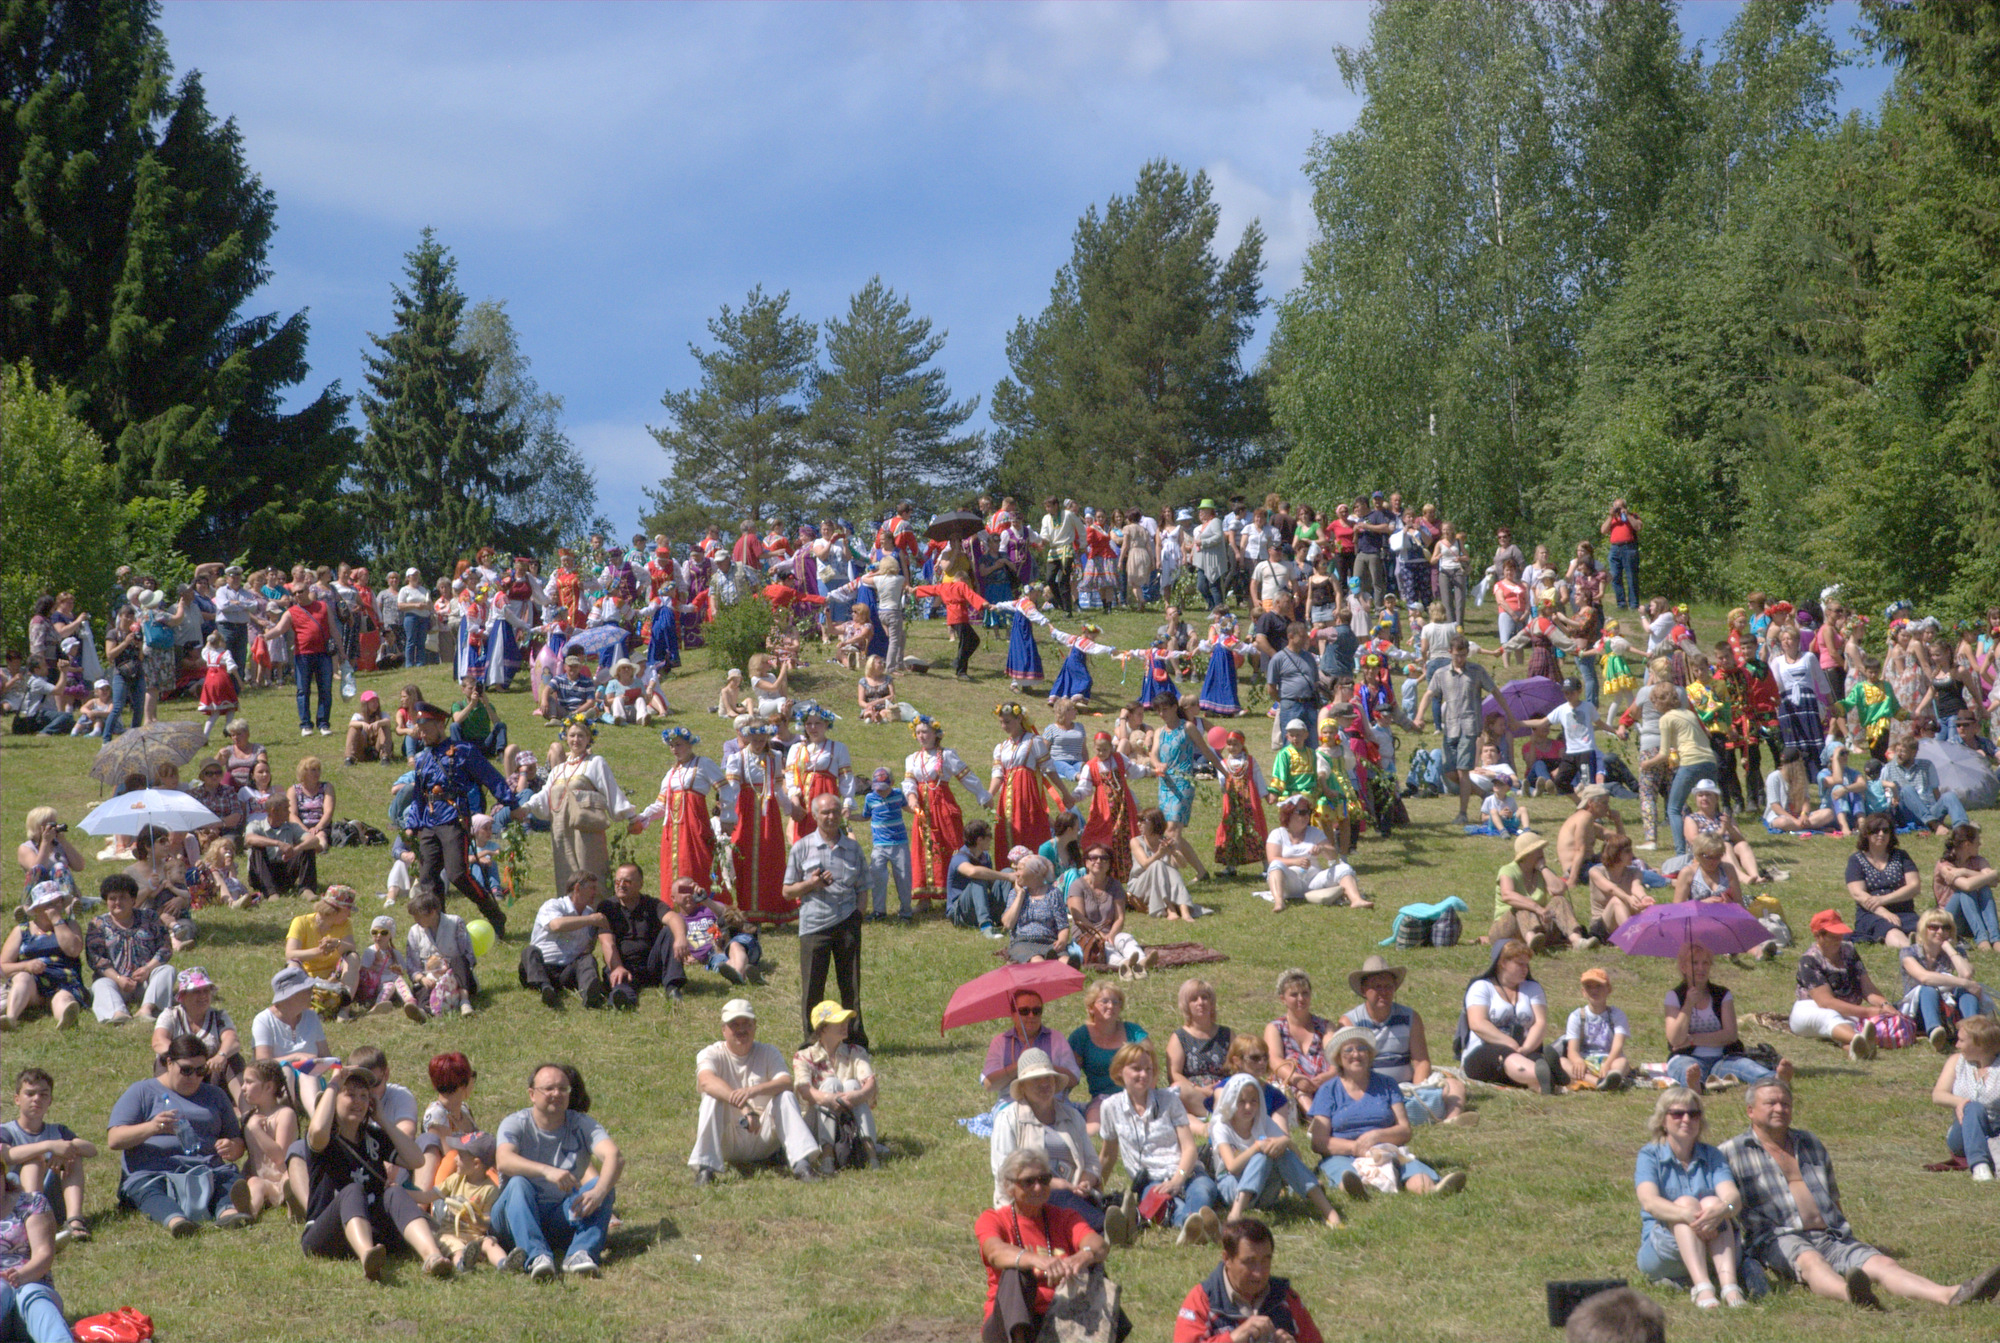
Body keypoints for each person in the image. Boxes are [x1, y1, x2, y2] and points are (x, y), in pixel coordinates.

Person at [1723, 1078, 2000, 1307]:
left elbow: (1833, 1195)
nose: (1780, 1108)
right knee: (1810, 1261)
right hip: (1778, 1238)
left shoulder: (1808, 1142)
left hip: (1830, 1233)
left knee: (1883, 1263)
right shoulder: (1731, 1152)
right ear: (1750, 1111)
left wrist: (1845, 1233)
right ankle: (1853, 1295)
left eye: (1785, 1103)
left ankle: (1949, 1294)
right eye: (1770, 1103)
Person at [299, 1066, 452, 1279]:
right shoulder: (325, 1138)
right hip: (326, 1236)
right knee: (353, 1191)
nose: (358, 1101)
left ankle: (432, 1257)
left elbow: (416, 1160)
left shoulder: (373, 1136)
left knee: (395, 1192)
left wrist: (382, 1119)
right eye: (350, 1094)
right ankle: (367, 1257)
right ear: (332, 1099)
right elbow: (316, 1131)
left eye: (364, 1096)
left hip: (374, 1229)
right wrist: (333, 1083)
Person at [106, 1033, 253, 1235]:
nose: (193, 1077)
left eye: (201, 1070)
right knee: (147, 1189)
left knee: (228, 1178)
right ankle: (177, 1222)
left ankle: (228, 1213)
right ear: (169, 1063)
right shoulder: (142, 1091)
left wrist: (233, 1147)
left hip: (207, 1168)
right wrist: (152, 1127)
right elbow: (114, 1139)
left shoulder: (215, 1095)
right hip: (154, 1171)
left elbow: (237, 1143)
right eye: (186, 1070)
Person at [493, 1062, 622, 1278]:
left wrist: (599, 1192)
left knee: (603, 1185)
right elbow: (504, 1160)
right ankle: (536, 1257)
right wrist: (546, 1171)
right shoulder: (516, 1123)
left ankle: (580, 1253)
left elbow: (614, 1156)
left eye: (563, 1089)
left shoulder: (581, 1124)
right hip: (512, 1220)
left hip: (558, 1216)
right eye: (549, 1089)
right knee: (518, 1183)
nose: (557, 1094)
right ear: (532, 1094)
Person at [977, 1148, 1120, 1343]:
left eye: (1044, 1179)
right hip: (1009, 1325)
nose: (1038, 1187)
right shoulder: (994, 1219)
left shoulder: (1064, 1217)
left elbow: (1100, 1245)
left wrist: (1084, 1255)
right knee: (1015, 1273)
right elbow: (994, 1252)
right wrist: (1037, 1261)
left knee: (1094, 1265)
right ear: (1009, 1187)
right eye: (1028, 1181)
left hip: (1061, 1316)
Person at [407, 702, 520, 936]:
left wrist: (511, 803)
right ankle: (437, 929)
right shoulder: (421, 760)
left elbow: (491, 777)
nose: (422, 734)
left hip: (453, 820)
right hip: (428, 823)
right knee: (428, 881)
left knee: (458, 873)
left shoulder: (463, 751)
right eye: (420, 729)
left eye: (426, 728)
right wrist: (412, 824)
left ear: (440, 724)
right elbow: (419, 795)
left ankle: (494, 914)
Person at [1633, 1086, 1751, 1308]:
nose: (1686, 1119)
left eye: (1693, 1114)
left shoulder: (1712, 1155)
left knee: (1714, 1203)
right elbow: (1649, 1202)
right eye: (1677, 1114)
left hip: (1714, 1248)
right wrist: (1686, 1214)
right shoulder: (1649, 1155)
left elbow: (1732, 1197)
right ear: (1663, 1120)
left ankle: (1730, 1287)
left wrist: (1722, 1210)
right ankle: (1703, 1288)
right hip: (1664, 1251)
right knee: (1686, 1203)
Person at [1096, 1041, 1222, 1247]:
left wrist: (1177, 1180)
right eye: (1136, 1069)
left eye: (1148, 1069)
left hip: (1186, 1172)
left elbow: (1189, 1148)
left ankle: (1193, 1226)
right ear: (1120, 1071)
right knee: (1162, 1203)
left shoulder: (1169, 1100)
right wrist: (1095, 1194)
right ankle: (1195, 1226)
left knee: (1203, 1190)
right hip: (1152, 1181)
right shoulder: (1110, 1107)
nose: (1144, 1075)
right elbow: (1108, 1156)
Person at [689, 998, 820, 1185]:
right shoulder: (711, 1053)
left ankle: (802, 1165)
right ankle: (705, 1169)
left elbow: (786, 1081)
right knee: (711, 1098)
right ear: (723, 1029)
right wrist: (745, 1108)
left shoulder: (768, 1052)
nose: (742, 1030)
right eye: (735, 1024)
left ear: (755, 1026)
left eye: (747, 1024)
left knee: (786, 1097)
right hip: (728, 1138)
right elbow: (706, 1081)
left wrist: (752, 1091)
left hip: (762, 1135)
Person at [782, 792, 869, 1049]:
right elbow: (787, 891)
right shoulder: (802, 847)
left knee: (850, 986)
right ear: (815, 815)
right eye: (824, 812)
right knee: (813, 988)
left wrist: (858, 915)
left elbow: (864, 886)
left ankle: (855, 1039)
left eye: (834, 811)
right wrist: (811, 884)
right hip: (814, 927)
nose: (830, 817)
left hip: (847, 924)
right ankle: (812, 1041)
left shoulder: (853, 848)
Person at [1339, 955, 1468, 1126]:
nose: (1384, 992)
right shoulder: (1351, 1023)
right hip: (1372, 1090)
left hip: (1407, 1087)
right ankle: (1416, 1113)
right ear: (1364, 990)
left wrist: (1418, 1090)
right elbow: (1349, 1070)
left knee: (1455, 1086)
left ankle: (1451, 1120)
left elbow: (1421, 1061)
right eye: (1377, 987)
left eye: (1388, 987)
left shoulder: (1410, 1017)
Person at [989, 1049, 1102, 1232]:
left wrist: (1086, 1179)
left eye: (1048, 1078)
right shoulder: (1008, 1119)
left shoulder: (1072, 1116)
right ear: (1023, 1087)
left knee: (1075, 1198)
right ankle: (1104, 1225)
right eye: (1036, 1080)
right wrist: (1052, 1184)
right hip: (1030, 1197)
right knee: (1058, 1196)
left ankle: (1112, 1219)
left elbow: (1091, 1161)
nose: (1044, 1084)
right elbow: (1004, 1173)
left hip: (1075, 1194)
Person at [1173, 1215, 1325, 1343]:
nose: (1259, 1273)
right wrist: (1234, 1338)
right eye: (1249, 1262)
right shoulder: (1203, 1300)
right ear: (1227, 1259)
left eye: (1265, 1261)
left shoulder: (1285, 1299)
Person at [1664, 943, 1790, 1094]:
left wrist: (1691, 1040)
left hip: (1722, 1058)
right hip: (1686, 1057)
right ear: (1683, 967)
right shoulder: (1674, 997)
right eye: (1694, 963)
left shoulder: (1722, 995)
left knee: (1746, 1066)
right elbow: (1675, 1039)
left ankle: (1775, 1080)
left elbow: (1730, 1035)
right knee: (1687, 1069)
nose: (1701, 968)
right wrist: (1688, 1005)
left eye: (1705, 963)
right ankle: (1694, 1086)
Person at [904, 716, 992, 913]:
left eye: (925, 732)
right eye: (918, 732)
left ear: (936, 734)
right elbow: (909, 782)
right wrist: (911, 798)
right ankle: (924, 896)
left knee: (949, 845)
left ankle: (953, 892)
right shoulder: (912, 758)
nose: (921, 736)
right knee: (924, 848)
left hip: (943, 807)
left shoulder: (947, 755)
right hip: (923, 810)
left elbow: (966, 777)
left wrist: (982, 795)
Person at [2, 1068, 96, 1247]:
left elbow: (92, 1150)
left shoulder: (57, 1131)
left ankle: (75, 1221)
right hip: (14, 1202)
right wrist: (48, 1146)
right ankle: (32, 1227)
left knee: (72, 1157)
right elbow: (5, 1154)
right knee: (34, 1161)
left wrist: (68, 1148)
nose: (36, 1099)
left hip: (51, 1202)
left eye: (43, 1095)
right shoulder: (6, 1131)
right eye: (30, 1094)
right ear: (17, 1099)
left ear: (50, 1101)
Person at [1461, 939, 1561, 1092]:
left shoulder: (1533, 988)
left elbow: (1540, 1023)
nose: (1525, 969)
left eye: (1526, 964)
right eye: (1520, 964)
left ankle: (1543, 1078)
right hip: (1484, 1051)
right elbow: (1477, 1023)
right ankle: (1546, 1076)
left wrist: (1526, 1048)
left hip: (1526, 1050)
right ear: (1502, 963)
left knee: (1532, 1059)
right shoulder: (1481, 987)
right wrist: (1510, 1043)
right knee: (1508, 1057)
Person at [793, 1000, 879, 1174]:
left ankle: (871, 1154)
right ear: (823, 1028)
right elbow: (804, 1090)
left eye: (846, 1021)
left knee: (853, 1085)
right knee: (831, 1083)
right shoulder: (804, 1056)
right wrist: (829, 1099)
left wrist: (857, 1096)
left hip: (848, 1120)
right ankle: (827, 1157)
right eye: (839, 1022)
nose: (845, 1025)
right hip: (816, 1124)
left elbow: (870, 1083)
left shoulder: (856, 1051)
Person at [1790, 909, 1888, 1061]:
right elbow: (1826, 1002)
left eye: (1840, 933)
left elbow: (1867, 987)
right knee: (1831, 1018)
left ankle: (1857, 1051)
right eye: (1833, 935)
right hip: (1810, 1009)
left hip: (1847, 1011)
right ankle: (1859, 1039)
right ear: (1818, 936)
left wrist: (1885, 1004)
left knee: (1844, 1023)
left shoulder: (1849, 950)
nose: (1839, 938)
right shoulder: (1809, 960)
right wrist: (1867, 1012)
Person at [85, 872, 175, 1024]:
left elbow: (165, 948)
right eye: (112, 898)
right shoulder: (97, 924)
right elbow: (96, 959)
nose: (117, 902)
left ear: (133, 900)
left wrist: (148, 969)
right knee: (100, 984)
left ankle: (147, 1009)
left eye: (123, 898)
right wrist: (119, 979)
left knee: (167, 970)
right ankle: (118, 1013)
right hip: (115, 984)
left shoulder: (150, 917)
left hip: (147, 982)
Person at [1901, 908, 1989, 1051]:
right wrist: (1964, 982)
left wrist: (1948, 948)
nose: (1940, 932)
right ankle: (1935, 1032)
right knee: (1928, 990)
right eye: (1933, 927)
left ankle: (1972, 1032)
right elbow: (1924, 977)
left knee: (1966, 992)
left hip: (1949, 1010)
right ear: (1923, 929)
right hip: (1920, 1012)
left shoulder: (1957, 951)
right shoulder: (1909, 952)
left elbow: (1966, 973)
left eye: (1945, 928)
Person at [1491, 832, 1596, 953]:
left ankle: (1577, 941)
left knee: (1559, 900)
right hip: (1506, 929)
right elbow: (1507, 895)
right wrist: (1536, 907)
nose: (1542, 852)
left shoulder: (1542, 871)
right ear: (1526, 854)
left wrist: (1543, 868)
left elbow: (1560, 890)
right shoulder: (1508, 870)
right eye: (1537, 849)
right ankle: (1531, 941)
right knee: (1522, 906)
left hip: (1537, 925)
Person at [595, 861, 679, 1009]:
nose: (621, 885)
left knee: (670, 930)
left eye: (627, 881)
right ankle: (622, 999)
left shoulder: (652, 904)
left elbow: (673, 918)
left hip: (651, 965)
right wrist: (617, 967)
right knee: (619, 982)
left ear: (640, 884)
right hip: (623, 963)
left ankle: (673, 987)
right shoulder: (607, 907)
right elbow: (607, 942)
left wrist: (681, 939)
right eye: (617, 881)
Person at [0, 884, 84, 1032]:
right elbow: (3, 966)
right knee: (22, 978)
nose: (54, 907)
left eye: (58, 902)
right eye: (48, 904)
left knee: (63, 998)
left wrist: (57, 921)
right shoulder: (21, 931)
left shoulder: (70, 925)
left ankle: (65, 1020)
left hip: (65, 982)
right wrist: (26, 966)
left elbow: (73, 950)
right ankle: (11, 1019)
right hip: (34, 984)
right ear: (37, 908)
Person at [520, 871, 609, 1011]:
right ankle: (545, 988)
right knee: (529, 951)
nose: (595, 892)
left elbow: (588, 947)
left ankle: (590, 994)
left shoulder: (589, 913)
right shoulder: (553, 905)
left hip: (566, 971)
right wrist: (591, 920)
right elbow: (557, 925)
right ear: (578, 888)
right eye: (592, 888)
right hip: (542, 967)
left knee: (587, 959)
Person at [1262, 796, 1365, 913]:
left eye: (1308, 812)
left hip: (1313, 881)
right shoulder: (1277, 834)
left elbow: (1333, 856)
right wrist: (1295, 862)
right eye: (1302, 812)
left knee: (1344, 868)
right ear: (1289, 814)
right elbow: (1272, 859)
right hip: (1289, 883)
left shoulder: (1315, 832)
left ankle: (1356, 900)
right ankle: (1279, 902)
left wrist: (1322, 849)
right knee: (1275, 865)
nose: (1307, 816)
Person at [252, 965, 334, 1113]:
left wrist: (319, 1063)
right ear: (291, 995)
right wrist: (296, 1057)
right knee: (285, 1069)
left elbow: (326, 1055)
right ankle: (286, 1114)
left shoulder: (311, 1017)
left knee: (306, 1071)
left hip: (312, 1080)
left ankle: (316, 1120)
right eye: (307, 990)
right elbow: (261, 1062)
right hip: (276, 1083)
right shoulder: (263, 1020)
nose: (311, 992)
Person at [1068, 981, 1148, 1131]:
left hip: (1138, 1094)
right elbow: (1070, 1075)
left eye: (1115, 1002)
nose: (1111, 1006)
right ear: (1091, 1008)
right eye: (1104, 1001)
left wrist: (1147, 1096)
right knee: (1093, 1129)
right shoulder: (1081, 1036)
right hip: (1103, 1099)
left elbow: (1152, 1066)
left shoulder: (1134, 1032)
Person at [1932, 1015, 2000, 1181]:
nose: (1956, 1045)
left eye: (1962, 1041)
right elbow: (1938, 1095)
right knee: (1973, 1107)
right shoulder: (1957, 1062)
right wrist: (1960, 1102)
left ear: (1979, 1044)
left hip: (1995, 1132)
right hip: (1962, 1133)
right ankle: (1979, 1165)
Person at [1263, 968, 1336, 1123]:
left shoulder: (1325, 1026)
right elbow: (1274, 1060)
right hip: (1294, 1083)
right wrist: (1296, 1079)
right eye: (1294, 995)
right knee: (1299, 1091)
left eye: (1305, 993)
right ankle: (1317, 1121)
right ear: (1283, 999)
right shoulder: (1275, 1027)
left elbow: (1336, 1057)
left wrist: (1328, 1076)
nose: (1300, 998)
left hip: (1323, 1081)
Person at [1067, 842, 1150, 978]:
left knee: (1125, 938)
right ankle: (1124, 964)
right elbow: (1079, 918)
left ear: (1109, 864)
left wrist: (1111, 935)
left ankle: (1141, 963)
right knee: (1106, 947)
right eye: (1094, 858)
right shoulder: (1077, 885)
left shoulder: (1115, 885)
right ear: (1087, 863)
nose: (1099, 861)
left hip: (1110, 933)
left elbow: (1120, 918)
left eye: (1104, 858)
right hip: (1086, 935)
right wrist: (1099, 935)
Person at [982, 991, 1082, 1099]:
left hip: (1052, 1102)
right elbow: (989, 1085)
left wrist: (1043, 1065)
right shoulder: (1000, 1042)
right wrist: (1020, 1065)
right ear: (1013, 1014)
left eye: (1036, 1011)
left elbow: (1073, 1079)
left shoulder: (1056, 1038)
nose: (1031, 1015)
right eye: (1024, 1011)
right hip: (1011, 1103)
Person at [1845, 813, 1922, 947]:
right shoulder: (1856, 860)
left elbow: (1914, 886)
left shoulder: (1901, 856)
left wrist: (1883, 899)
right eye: (1875, 830)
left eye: (1886, 830)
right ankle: (1911, 950)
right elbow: (1858, 894)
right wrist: (1883, 911)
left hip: (1904, 911)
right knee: (1891, 930)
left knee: (1925, 930)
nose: (1881, 834)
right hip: (1872, 914)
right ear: (1866, 834)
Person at [1165, 979, 1233, 1124]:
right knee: (1177, 1088)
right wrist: (1199, 1090)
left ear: (1212, 1002)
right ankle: (1215, 1117)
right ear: (1186, 1005)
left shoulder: (1227, 1034)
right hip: (1195, 1094)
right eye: (1194, 999)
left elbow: (1240, 1066)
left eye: (1205, 997)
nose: (1200, 1002)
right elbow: (1174, 1074)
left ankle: (1223, 1115)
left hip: (1225, 1089)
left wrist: (1222, 1087)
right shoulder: (1180, 1037)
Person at [1561, 968, 1635, 1091]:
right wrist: (1578, 1060)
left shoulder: (1617, 1015)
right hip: (1586, 1062)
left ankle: (1611, 1078)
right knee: (1562, 1062)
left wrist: (1607, 1064)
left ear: (1608, 990)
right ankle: (1599, 1082)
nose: (1594, 990)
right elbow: (1572, 1050)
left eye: (1599, 986)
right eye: (1589, 987)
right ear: (1583, 992)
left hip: (1610, 1059)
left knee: (1622, 1062)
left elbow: (1618, 1046)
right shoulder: (1577, 1016)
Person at [1881, 734, 1970, 835]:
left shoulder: (1927, 765)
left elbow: (1935, 791)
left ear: (1913, 753)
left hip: (1929, 809)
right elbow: (1880, 787)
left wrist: (1940, 804)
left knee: (1949, 796)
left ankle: (1962, 828)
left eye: (1903, 751)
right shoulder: (1889, 768)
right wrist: (1892, 792)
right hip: (1907, 813)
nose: (1899, 755)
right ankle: (1934, 825)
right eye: (1897, 751)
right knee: (1907, 789)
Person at [1000, 852, 1071, 965]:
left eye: (1020, 869)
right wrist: (1020, 895)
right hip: (1023, 941)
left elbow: (1063, 925)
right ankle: (1048, 969)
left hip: (1049, 941)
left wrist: (1062, 940)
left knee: (1065, 961)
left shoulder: (1053, 893)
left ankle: (1065, 972)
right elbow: (1008, 924)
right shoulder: (1015, 893)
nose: (1016, 874)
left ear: (1035, 872)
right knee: (1037, 960)